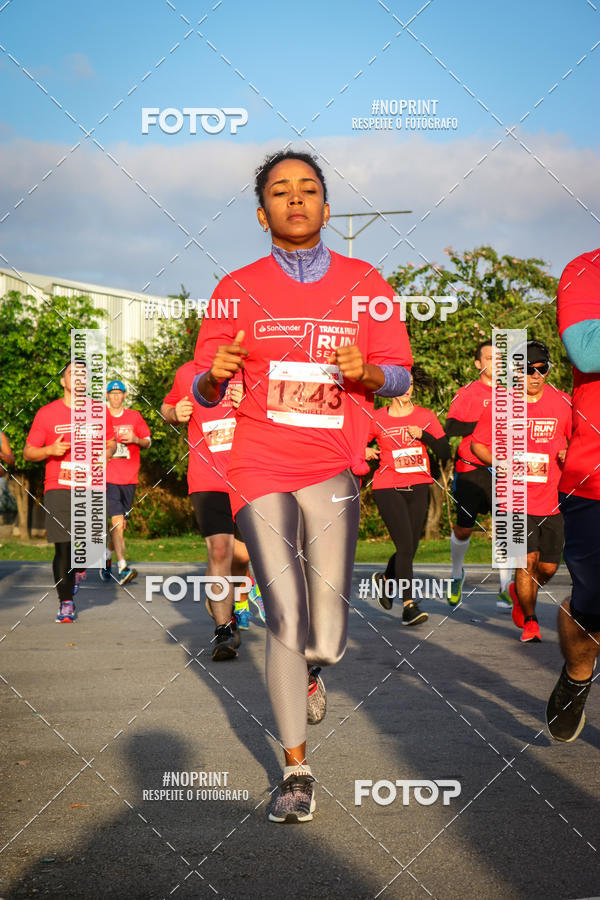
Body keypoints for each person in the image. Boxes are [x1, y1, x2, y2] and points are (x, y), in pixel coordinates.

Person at [191, 150, 412, 822]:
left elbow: (402, 374)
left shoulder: (366, 282)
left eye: (308, 189)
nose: (295, 199)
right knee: (284, 618)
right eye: (280, 192)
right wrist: (215, 372)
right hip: (258, 461)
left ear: (324, 206)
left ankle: (316, 666)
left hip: (331, 464)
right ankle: (296, 766)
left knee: (327, 627)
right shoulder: (235, 288)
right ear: (262, 213)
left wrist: (369, 374)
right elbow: (201, 389)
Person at [471, 340, 571, 642]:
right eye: (528, 369)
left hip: (553, 499)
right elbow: (478, 443)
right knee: (526, 561)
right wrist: (498, 460)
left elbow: (580, 440)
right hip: (513, 497)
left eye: (542, 369)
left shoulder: (564, 403)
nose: (535, 375)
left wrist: (571, 453)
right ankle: (530, 620)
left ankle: (520, 589)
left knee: (548, 567)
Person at [161, 365, 260, 661]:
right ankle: (223, 630)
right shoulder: (186, 373)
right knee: (220, 550)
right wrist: (173, 413)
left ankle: (233, 597)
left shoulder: (250, 367)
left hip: (249, 476)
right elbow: (167, 408)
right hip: (207, 479)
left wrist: (253, 400)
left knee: (242, 555)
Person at [545, 249, 600, 741]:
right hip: (592, 479)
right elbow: (586, 351)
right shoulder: (584, 269)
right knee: (593, 608)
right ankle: (578, 676)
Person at [23, 360, 114, 622]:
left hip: (91, 485)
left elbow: (110, 443)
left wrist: (105, 454)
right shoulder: (47, 413)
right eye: (74, 374)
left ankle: (79, 567)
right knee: (63, 547)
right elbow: (28, 452)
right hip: (59, 486)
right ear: (63, 381)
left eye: (84, 375)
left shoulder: (98, 411)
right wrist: (49, 451)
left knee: (94, 540)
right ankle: (66, 603)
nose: (79, 378)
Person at [367, 373, 450, 624]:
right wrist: (364, 449)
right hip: (387, 486)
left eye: (410, 385)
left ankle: (384, 579)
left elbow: (445, 451)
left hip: (419, 486)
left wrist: (423, 435)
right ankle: (408, 605)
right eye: (402, 385)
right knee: (405, 547)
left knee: (410, 547)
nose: (407, 390)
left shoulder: (425, 417)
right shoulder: (377, 418)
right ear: (391, 389)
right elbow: (355, 444)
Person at [445, 340, 513, 608]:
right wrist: (484, 423)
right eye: (488, 358)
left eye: (498, 358)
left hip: (503, 469)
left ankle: (505, 587)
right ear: (478, 364)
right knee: (464, 529)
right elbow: (450, 427)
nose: (495, 362)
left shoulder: (512, 396)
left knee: (505, 528)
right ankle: (455, 573)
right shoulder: (467, 393)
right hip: (471, 469)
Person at [101, 380, 151, 586]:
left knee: (120, 527)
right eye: (111, 393)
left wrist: (135, 439)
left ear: (124, 396)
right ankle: (122, 568)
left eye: (118, 393)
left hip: (129, 479)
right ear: (106, 396)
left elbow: (148, 441)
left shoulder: (135, 417)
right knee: (117, 523)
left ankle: (106, 558)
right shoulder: (100, 418)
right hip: (108, 478)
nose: (115, 396)